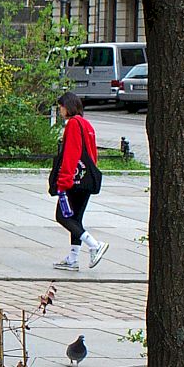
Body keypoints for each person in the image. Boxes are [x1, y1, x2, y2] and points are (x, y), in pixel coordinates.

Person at [50, 92, 107, 269]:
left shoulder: (73, 124)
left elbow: (71, 154)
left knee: (63, 216)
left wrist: (63, 181)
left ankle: (94, 245)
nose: (60, 111)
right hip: (86, 179)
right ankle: (73, 258)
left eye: (61, 107)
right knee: (76, 219)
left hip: (74, 180)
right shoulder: (86, 123)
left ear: (67, 106)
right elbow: (92, 154)